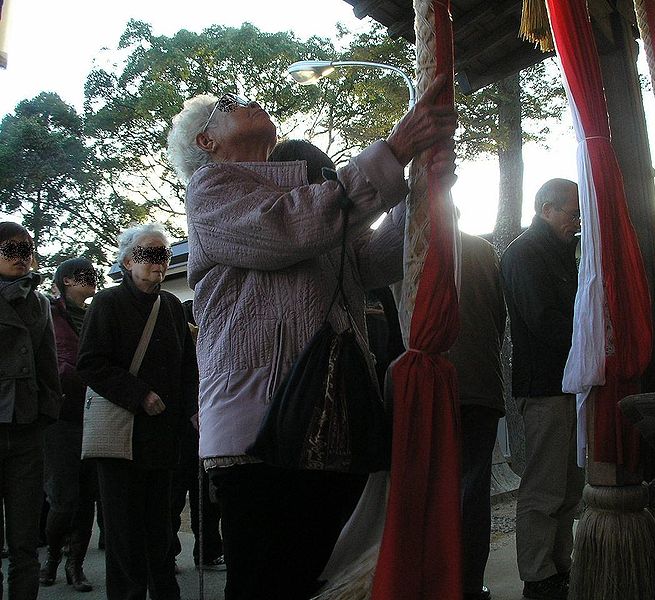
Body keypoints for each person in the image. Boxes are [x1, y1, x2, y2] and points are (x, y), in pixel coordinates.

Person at [165, 75, 457, 600]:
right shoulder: (210, 192)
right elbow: (287, 228)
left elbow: (373, 261)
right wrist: (393, 152)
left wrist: (422, 198)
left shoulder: (310, 199)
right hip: (257, 427)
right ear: (206, 143)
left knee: (311, 577)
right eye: (229, 104)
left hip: (333, 414)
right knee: (266, 580)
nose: (250, 98)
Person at [77, 223, 198, 600]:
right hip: (122, 436)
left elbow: (187, 369)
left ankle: (166, 593)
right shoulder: (107, 303)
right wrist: (140, 394)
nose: (158, 262)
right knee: (124, 532)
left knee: (161, 528)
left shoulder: (174, 308)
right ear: (128, 260)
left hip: (163, 438)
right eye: (148, 253)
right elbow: (91, 363)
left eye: (163, 254)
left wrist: (194, 411)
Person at [500, 179, 585, 600]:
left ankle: (559, 564)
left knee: (570, 487)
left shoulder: (563, 254)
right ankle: (537, 574)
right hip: (544, 387)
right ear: (545, 209)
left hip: (571, 383)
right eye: (571, 213)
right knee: (545, 488)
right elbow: (543, 320)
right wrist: (592, 336)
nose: (576, 221)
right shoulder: (523, 253)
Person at [0, 222, 61, 600]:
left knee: (25, 541)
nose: (22, 257)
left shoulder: (39, 302)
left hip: (26, 427)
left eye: (27, 249)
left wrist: (46, 413)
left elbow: (47, 361)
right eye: (11, 250)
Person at [447, 231, 506, 600]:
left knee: (431, 486)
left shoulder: (409, 244)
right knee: (473, 487)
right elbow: (498, 320)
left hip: (430, 384)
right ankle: (468, 584)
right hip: (481, 383)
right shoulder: (483, 251)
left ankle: (435, 580)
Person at [40, 257, 99, 592]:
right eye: (82, 275)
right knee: (63, 498)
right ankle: (51, 556)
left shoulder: (96, 315)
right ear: (64, 281)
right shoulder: (48, 312)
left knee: (88, 496)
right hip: (60, 416)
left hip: (94, 416)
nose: (91, 279)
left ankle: (75, 566)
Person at [170, 299, 224, 572]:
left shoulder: (213, 341)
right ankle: (179, 551)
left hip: (202, 426)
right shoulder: (184, 343)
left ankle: (206, 550)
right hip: (187, 426)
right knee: (181, 493)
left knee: (203, 496)